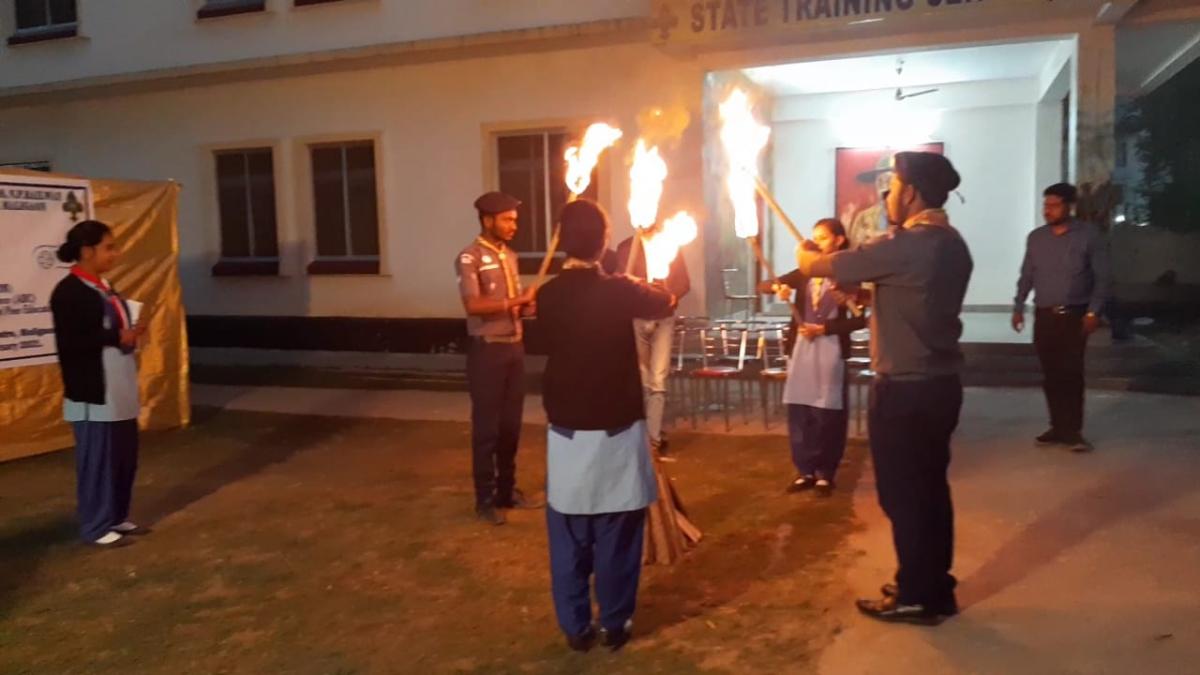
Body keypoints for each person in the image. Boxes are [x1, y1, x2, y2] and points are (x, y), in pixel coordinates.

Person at [797, 151, 973, 625]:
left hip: (905, 390)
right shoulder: (951, 243)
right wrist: (866, 295)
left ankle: (916, 595)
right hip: (939, 386)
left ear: (911, 191)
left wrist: (807, 254)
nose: (887, 195)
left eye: (892, 187)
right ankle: (932, 584)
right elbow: (910, 297)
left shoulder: (908, 243)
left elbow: (815, 265)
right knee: (931, 490)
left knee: (903, 495)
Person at [535, 199, 676, 652]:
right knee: (617, 534)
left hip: (568, 431)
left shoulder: (548, 293)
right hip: (614, 428)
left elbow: (540, 339)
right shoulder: (619, 289)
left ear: (560, 240)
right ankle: (614, 622)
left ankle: (576, 627)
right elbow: (666, 300)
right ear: (603, 242)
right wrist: (639, 281)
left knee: (570, 536)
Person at [50, 220, 149, 548]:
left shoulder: (105, 288)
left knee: (123, 458)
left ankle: (116, 515)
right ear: (86, 251)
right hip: (93, 392)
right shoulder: (68, 292)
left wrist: (131, 334)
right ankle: (95, 525)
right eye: (109, 247)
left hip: (119, 388)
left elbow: (114, 332)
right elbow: (73, 341)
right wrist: (114, 335)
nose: (115, 253)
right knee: (98, 461)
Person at [763, 219, 865, 496]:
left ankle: (825, 472)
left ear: (839, 241)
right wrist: (778, 289)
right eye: (815, 236)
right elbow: (766, 284)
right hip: (803, 348)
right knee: (801, 409)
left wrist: (826, 327)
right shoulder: (805, 273)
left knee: (828, 411)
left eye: (822, 237)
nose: (816, 242)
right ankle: (804, 470)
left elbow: (861, 320)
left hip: (830, 347)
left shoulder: (846, 276)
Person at [454, 191, 539, 525]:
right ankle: (485, 500)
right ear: (487, 220)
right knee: (487, 429)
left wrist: (528, 306)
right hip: (487, 350)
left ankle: (507, 491)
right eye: (506, 220)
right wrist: (514, 302)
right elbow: (472, 305)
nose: (513, 226)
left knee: (511, 426)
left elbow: (517, 306)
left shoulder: (511, 256)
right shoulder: (469, 257)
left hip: (514, 348)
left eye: (514, 220)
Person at [1012, 183, 1111, 453]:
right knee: (1051, 374)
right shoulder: (1036, 238)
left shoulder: (1088, 235)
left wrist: (1093, 311)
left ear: (1070, 206)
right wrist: (1018, 306)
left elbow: (1102, 277)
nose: (1048, 210)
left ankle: (1073, 431)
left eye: (1054, 205)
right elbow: (1027, 275)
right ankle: (1057, 426)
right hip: (1045, 316)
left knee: (1071, 373)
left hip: (1075, 317)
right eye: (1045, 205)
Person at [610, 227, 691, 458]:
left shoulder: (671, 241)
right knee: (642, 379)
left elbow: (684, 281)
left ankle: (653, 438)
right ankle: (640, 433)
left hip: (663, 318)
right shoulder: (627, 247)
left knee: (658, 379)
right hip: (637, 318)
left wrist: (672, 296)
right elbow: (620, 280)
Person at [846, 155, 893, 248]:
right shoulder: (864, 218)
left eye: (889, 180)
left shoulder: (911, 217)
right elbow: (854, 250)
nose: (884, 185)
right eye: (880, 180)